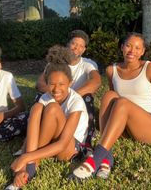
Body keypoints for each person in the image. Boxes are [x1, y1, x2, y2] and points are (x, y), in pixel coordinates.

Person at [71, 32, 151, 180]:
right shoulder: (112, 70)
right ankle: (107, 157)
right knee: (109, 96)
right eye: (128, 46)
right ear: (122, 47)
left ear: (142, 51)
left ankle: (94, 160)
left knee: (122, 102)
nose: (132, 51)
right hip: (124, 127)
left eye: (137, 48)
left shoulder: (150, 69)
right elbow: (112, 104)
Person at [5, 45, 89, 190]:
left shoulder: (76, 102)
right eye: (52, 84)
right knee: (37, 107)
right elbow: (35, 127)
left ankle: (30, 167)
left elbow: (63, 143)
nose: (56, 89)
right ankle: (29, 165)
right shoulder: (45, 97)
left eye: (62, 84)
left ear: (71, 83)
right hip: (50, 144)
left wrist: (25, 157)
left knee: (52, 108)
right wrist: (26, 149)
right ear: (46, 83)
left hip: (69, 149)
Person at [36, 29, 101, 145]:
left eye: (81, 46)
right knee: (39, 98)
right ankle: (39, 128)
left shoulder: (87, 64)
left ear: (84, 50)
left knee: (88, 97)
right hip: (54, 98)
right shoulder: (55, 63)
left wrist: (69, 96)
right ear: (68, 44)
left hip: (75, 102)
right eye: (74, 43)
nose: (76, 48)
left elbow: (96, 81)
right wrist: (56, 94)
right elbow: (40, 84)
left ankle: (87, 138)